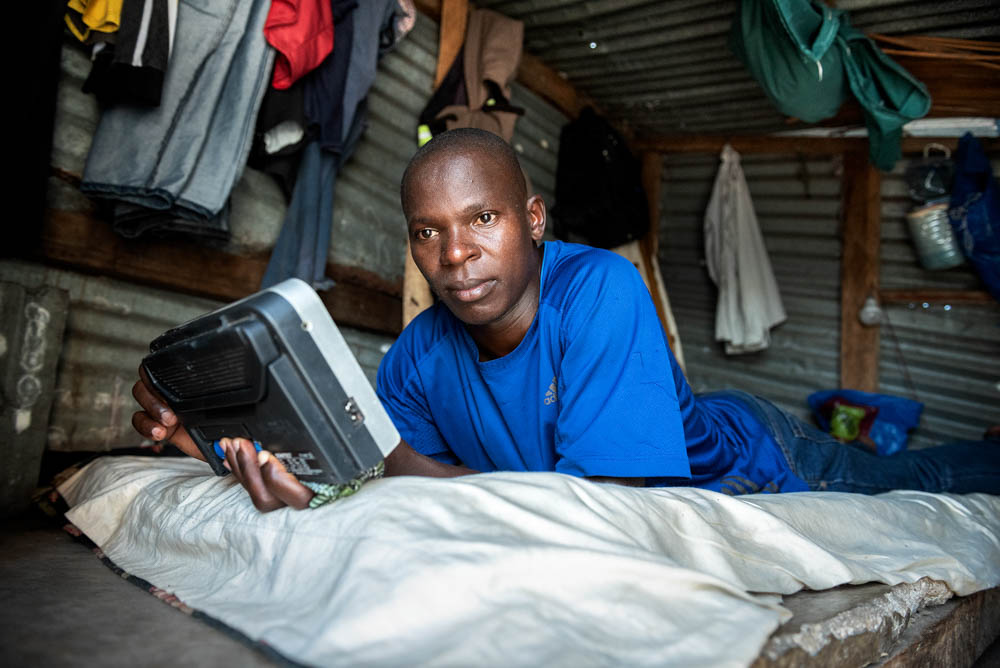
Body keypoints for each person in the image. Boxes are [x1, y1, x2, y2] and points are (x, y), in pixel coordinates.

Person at [132, 128, 1000, 512]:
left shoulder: (599, 293)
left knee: (923, 481)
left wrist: (396, 469)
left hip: (765, 458)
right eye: (428, 232)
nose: (456, 253)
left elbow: (602, 508)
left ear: (535, 220)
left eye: (483, 218)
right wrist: (221, 448)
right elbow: (385, 478)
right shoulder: (418, 355)